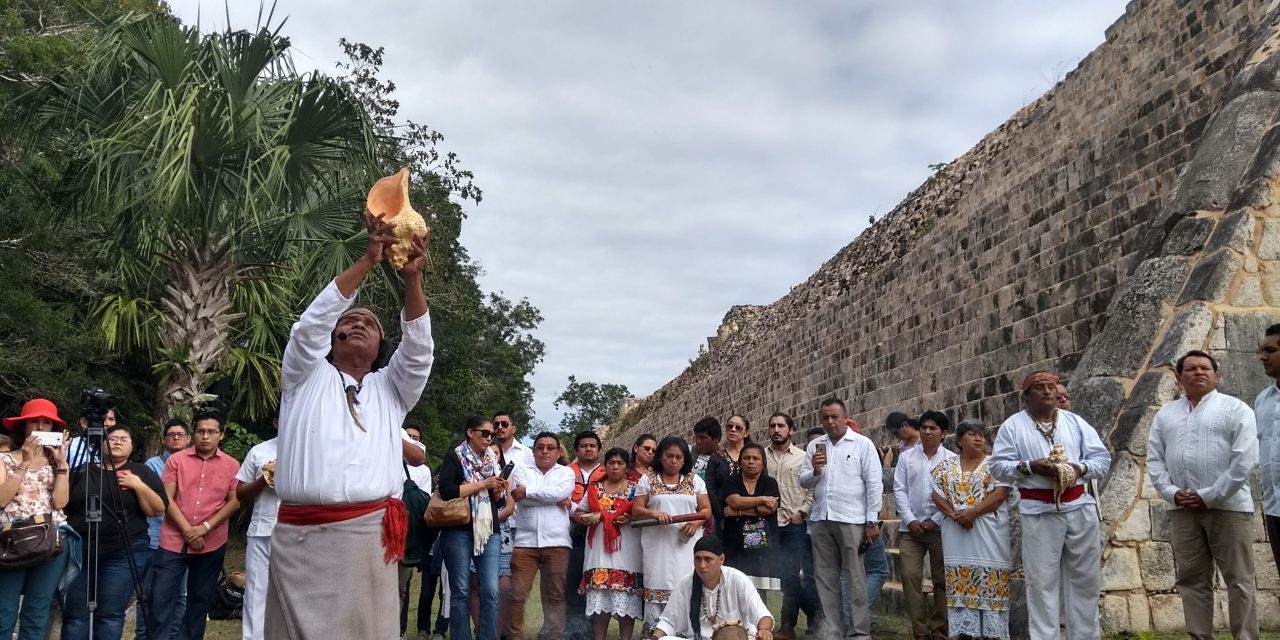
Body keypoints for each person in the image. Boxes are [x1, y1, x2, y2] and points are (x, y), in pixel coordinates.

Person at [264, 214, 434, 639]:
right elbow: (310, 327)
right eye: (349, 321)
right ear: (333, 337)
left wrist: (412, 278)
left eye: (370, 324)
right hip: (299, 540)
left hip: (366, 537)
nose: (357, 323)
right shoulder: (304, 374)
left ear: (379, 348)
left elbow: (418, 352)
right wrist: (367, 261)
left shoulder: (391, 389)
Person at [989, 372, 1110, 640]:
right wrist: (1030, 466)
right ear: (1027, 396)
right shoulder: (1013, 426)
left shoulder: (1076, 422)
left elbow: (1102, 460)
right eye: (1039, 388)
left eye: (1051, 387)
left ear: (1058, 394)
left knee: (1086, 582)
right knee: (1042, 584)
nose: (1047, 391)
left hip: (1080, 507)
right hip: (1039, 514)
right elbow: (997, 466)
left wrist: (1077, 469)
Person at [1147, 351, 1259, 640]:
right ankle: (1199, 636)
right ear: (1178, 378)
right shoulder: (1166, 413)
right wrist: (1172, 493)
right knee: (1192, 579)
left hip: (1228, 506)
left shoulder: (1236, 409)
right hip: (1182, 509)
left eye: (1205, 368)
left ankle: (1245, 637)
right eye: (1192, 369)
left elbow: (1244, 461)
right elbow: (1155, 459)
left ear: (1216, 375)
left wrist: (1209, 495)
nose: (1199, 372)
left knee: (1239, 579)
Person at [62, 425, 167, 640]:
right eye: (112, 438)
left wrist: (138, 486)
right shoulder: (82, 470)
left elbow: (157, 509)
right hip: (79, 551)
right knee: (74, 614)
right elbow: (62, 504)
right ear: (101, 444)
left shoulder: (140, 472)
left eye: (123, 439)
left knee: (110, 614)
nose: (117, 441)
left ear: (132, 447)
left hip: (123, 551)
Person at [146, 412, 240, 640]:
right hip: (173, 541)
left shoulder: (231, 464)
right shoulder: (176, 461)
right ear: (194, 434)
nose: (205, 436)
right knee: (160, 598)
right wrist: (189, 530)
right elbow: (167, 498)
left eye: (211, 432)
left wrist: (204, 528)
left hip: (212, 542)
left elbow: (234, 501)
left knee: (199, 600)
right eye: (201, 431)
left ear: (221, 435)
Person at [799, 398, 882, 640]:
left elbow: (874, 483)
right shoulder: (815, 446)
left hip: (852, 519)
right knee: (825, 579)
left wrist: (871, 521)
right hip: (821, 519)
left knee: (855, 578)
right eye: (825, 417)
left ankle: (858, 633)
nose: (830, 421)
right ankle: (832, 632)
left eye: (835, 416)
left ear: (846, 417)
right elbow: (803, 481)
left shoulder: (862, 444)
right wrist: (814, 470)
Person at [931, 420, 1012, 640]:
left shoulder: (995, 463)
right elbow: (936, 495)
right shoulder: (946, 466)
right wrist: (954, 514)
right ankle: (965, 633)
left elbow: (1000, 494)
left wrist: (971, 513)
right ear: (959, 440)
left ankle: (992, 634)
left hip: (989, 535)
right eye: (972, 434)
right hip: (957, 534)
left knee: (990, 582)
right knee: (961, 584)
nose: (978, 438)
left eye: (982, 435)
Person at [0, 398, 72, 640]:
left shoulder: (56, 463)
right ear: (24, 427)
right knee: (4, 611)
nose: (41, 427)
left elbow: (60, 503)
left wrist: (62, 465)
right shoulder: (4, 459)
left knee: (37, 611)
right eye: (34, 422)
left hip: (49, 540)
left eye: (47, 423)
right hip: (13, 540)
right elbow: (1, 499)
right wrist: (25, 463)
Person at [438, 417, 509, 640]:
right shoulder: (455, 457)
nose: (490, 438)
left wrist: (498, 492)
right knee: (460, 592)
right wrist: (483, 484)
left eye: (492, 435)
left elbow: (498, 503)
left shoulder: (492, 461)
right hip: (458, 529)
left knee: (491, 590)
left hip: (489, 530)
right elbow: (447, 491)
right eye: (485, 433)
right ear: (470, 432)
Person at [633, 436, 712, 629]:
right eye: (669, 456)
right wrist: (654, 513)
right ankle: (657, 631)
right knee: (657, 584)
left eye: (679, 457)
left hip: (687, 548)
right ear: (660, 457)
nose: (674, 461)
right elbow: (636, 510)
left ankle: (686, 632)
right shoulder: (648, 480)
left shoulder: (695, 481)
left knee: (686, 586)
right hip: (657, 549)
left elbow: (706, 510)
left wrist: (694, 524)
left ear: (685, 459)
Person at [893, 411, 955, 640]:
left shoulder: (951, 459)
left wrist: (934, 520)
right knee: (910, 578)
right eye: (924, 428)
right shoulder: (907, 458)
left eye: (933, 428)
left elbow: (953, 495)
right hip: (910, 530)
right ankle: (920, 631)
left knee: (942, 581)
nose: (927, 432)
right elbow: (899, 490)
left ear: (944, 434)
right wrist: (910, 520)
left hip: (941, 528)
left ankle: (939, 631)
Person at [508, 432, 575, 640]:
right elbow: (521, 499)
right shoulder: (520, 470)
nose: (545, 451)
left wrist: (527, 492)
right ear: (533, 450)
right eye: (540, 447)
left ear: (557, 452)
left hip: (557, 542)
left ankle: (553, 635)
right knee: (517, 594)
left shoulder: (566, 473)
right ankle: (515, 636)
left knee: (555, 594)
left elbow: (559, 494)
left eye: (550, 448)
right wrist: (547, 495)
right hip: (525, 542)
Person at [575, 447, 642, 640]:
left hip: (627, 549)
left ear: (627, 466)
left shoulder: (636, 488)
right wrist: (588, 517)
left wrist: (630, 518)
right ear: (605, 465)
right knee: (600, 596)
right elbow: (578, 514)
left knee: (626, 597)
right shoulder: (594, 488)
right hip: (597, 549)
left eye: (620, 463)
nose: (615, 467)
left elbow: (643, 512)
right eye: (611, 463)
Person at [652, 536, 775, 640]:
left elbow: (762, 614)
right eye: (697, 559)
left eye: (708, 559)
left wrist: (764, 630)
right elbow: (668, 622)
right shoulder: (685, 584)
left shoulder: (738, 579)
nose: (702, 565)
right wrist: (654, 638)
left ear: (721, 559)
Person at [764, 412, 819, 639]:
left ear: (791, 430)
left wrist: (802, 513)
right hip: (768, 526)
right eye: (773, 426)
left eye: (781, 426)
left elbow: (812, 489)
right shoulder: (760, 456)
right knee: (777, 575)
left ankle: (787, 626)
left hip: (793, 525)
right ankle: (817, 615)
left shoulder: (803, 457)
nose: (776, 430)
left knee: (790, 576)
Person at [137, 418, 189, 640]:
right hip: (154, 539)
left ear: (188, 439)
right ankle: (143, 636)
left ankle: (173, 636)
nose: (175, 438)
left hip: (184, 540)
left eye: (180, 434)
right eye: (171, 434)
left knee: (180, 595)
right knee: (148, 594)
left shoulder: (194, 464)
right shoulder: (152, 466)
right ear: (163, 439)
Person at [235, 433, 280, 640]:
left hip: (301, 532)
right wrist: (264, 478)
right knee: (256, 593)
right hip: (262, 530)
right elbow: (240, 493)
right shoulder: (260, 451)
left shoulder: (313, 448)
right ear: (276, 422)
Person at [492, 412, 531, 637]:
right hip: (492, 521)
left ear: (513, 428)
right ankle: (492, 627)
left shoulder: (525, 454)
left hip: (518, 522)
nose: (499, 427)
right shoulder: (488, 452)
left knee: (515, 584)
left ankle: (511, 628)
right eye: (496, 424)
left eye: (504, 424)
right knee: (492, 582)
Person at [723, 442, 781, 592]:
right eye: (746, 458)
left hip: (762, 547)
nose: (750, 462)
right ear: (740, 462)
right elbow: (734, 501)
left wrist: (738, 512)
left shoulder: (770, 483)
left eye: (756, 458)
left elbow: (769, 510)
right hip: (735, 544)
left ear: (763, 463)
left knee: (758, 592)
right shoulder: (731, 481)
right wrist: (762, 499)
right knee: (735, 588)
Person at [567, 431, 606, 640]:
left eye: (592, 446)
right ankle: (571, 629)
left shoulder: (608, 473)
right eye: (584, 446)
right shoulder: (565, 472)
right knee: (571, 581)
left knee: (594, 583)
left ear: (599, 450)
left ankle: (591, 630)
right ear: (576, 449)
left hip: (598, 536)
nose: (588, 449)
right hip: (571, 534)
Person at [399, 427, 434, 640]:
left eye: (415, 438)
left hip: (404, 528)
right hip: (368, 521)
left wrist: (392, 434)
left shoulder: (395, 431)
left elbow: (418, 457)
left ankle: (397, 632)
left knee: (399, 587)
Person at [1258, 324, 1280, 580]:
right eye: (1261, 351)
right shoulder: (1263, 400)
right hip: (1274, 506)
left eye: (1270, 351)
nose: (1262, 357)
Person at [707, 415, 750, 535]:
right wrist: (721, 515)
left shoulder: (753, 456)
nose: (733, 429)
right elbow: (710, 488)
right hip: (723, 516)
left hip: (750, 514)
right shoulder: (716, 458)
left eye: (738, 427)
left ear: (746, 433)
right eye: (730, 426)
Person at [691, 417, 722, 482]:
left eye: (703, 437)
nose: (698, 441)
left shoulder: (724, 459)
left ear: (716, 439)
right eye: (696, 437)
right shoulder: (689, 454)